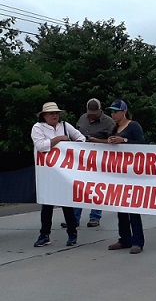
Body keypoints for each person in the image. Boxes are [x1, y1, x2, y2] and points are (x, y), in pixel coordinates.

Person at [32, 102, 85, 248]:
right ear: (44, 116)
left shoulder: (66, 126)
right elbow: (41, 146)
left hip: (64, 172)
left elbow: (81, 139)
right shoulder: (38, 128)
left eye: (56, 113)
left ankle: (72, 233)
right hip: (47, 172)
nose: (54, 115)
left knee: (67, 204)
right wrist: (59, 139)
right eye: (51, 113)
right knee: (47, 205)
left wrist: (72, 148)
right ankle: (44, 235)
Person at [105, 100, 147, 254]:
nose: (113, 114)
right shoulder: (115, 128)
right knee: (120, 208)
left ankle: (138, 241)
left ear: (124, 111)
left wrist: (125, 140)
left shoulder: (133, 126)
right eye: (112, 112)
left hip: (132, 173)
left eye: (116, 111)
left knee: (133, 208)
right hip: (119, 173)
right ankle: (124, 238)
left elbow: (143, 144)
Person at [70, 98, 114, 228]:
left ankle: (95, 216)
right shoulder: (83, 118)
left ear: (100, 110)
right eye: (90, 112)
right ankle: (74, 218)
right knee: (79, 187)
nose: (92, 115)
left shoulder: (109, 122)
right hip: (82, 159)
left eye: (94, 113)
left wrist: (97, 141)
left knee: (96, 187)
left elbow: (114, 141)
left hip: (99, 159)